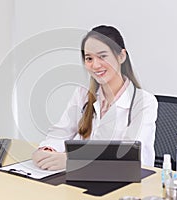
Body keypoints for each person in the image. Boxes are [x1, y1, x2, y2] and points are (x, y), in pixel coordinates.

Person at [32, 25, 158, 171]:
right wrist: (47, 151)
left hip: (126, 183)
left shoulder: (143, 102)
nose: (95, 65)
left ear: (121, 56)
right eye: (89, 58)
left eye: (102, 56)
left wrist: (72, 160)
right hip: (82, 177)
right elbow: (59, 134)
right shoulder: (82, 95)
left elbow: (130, 156)